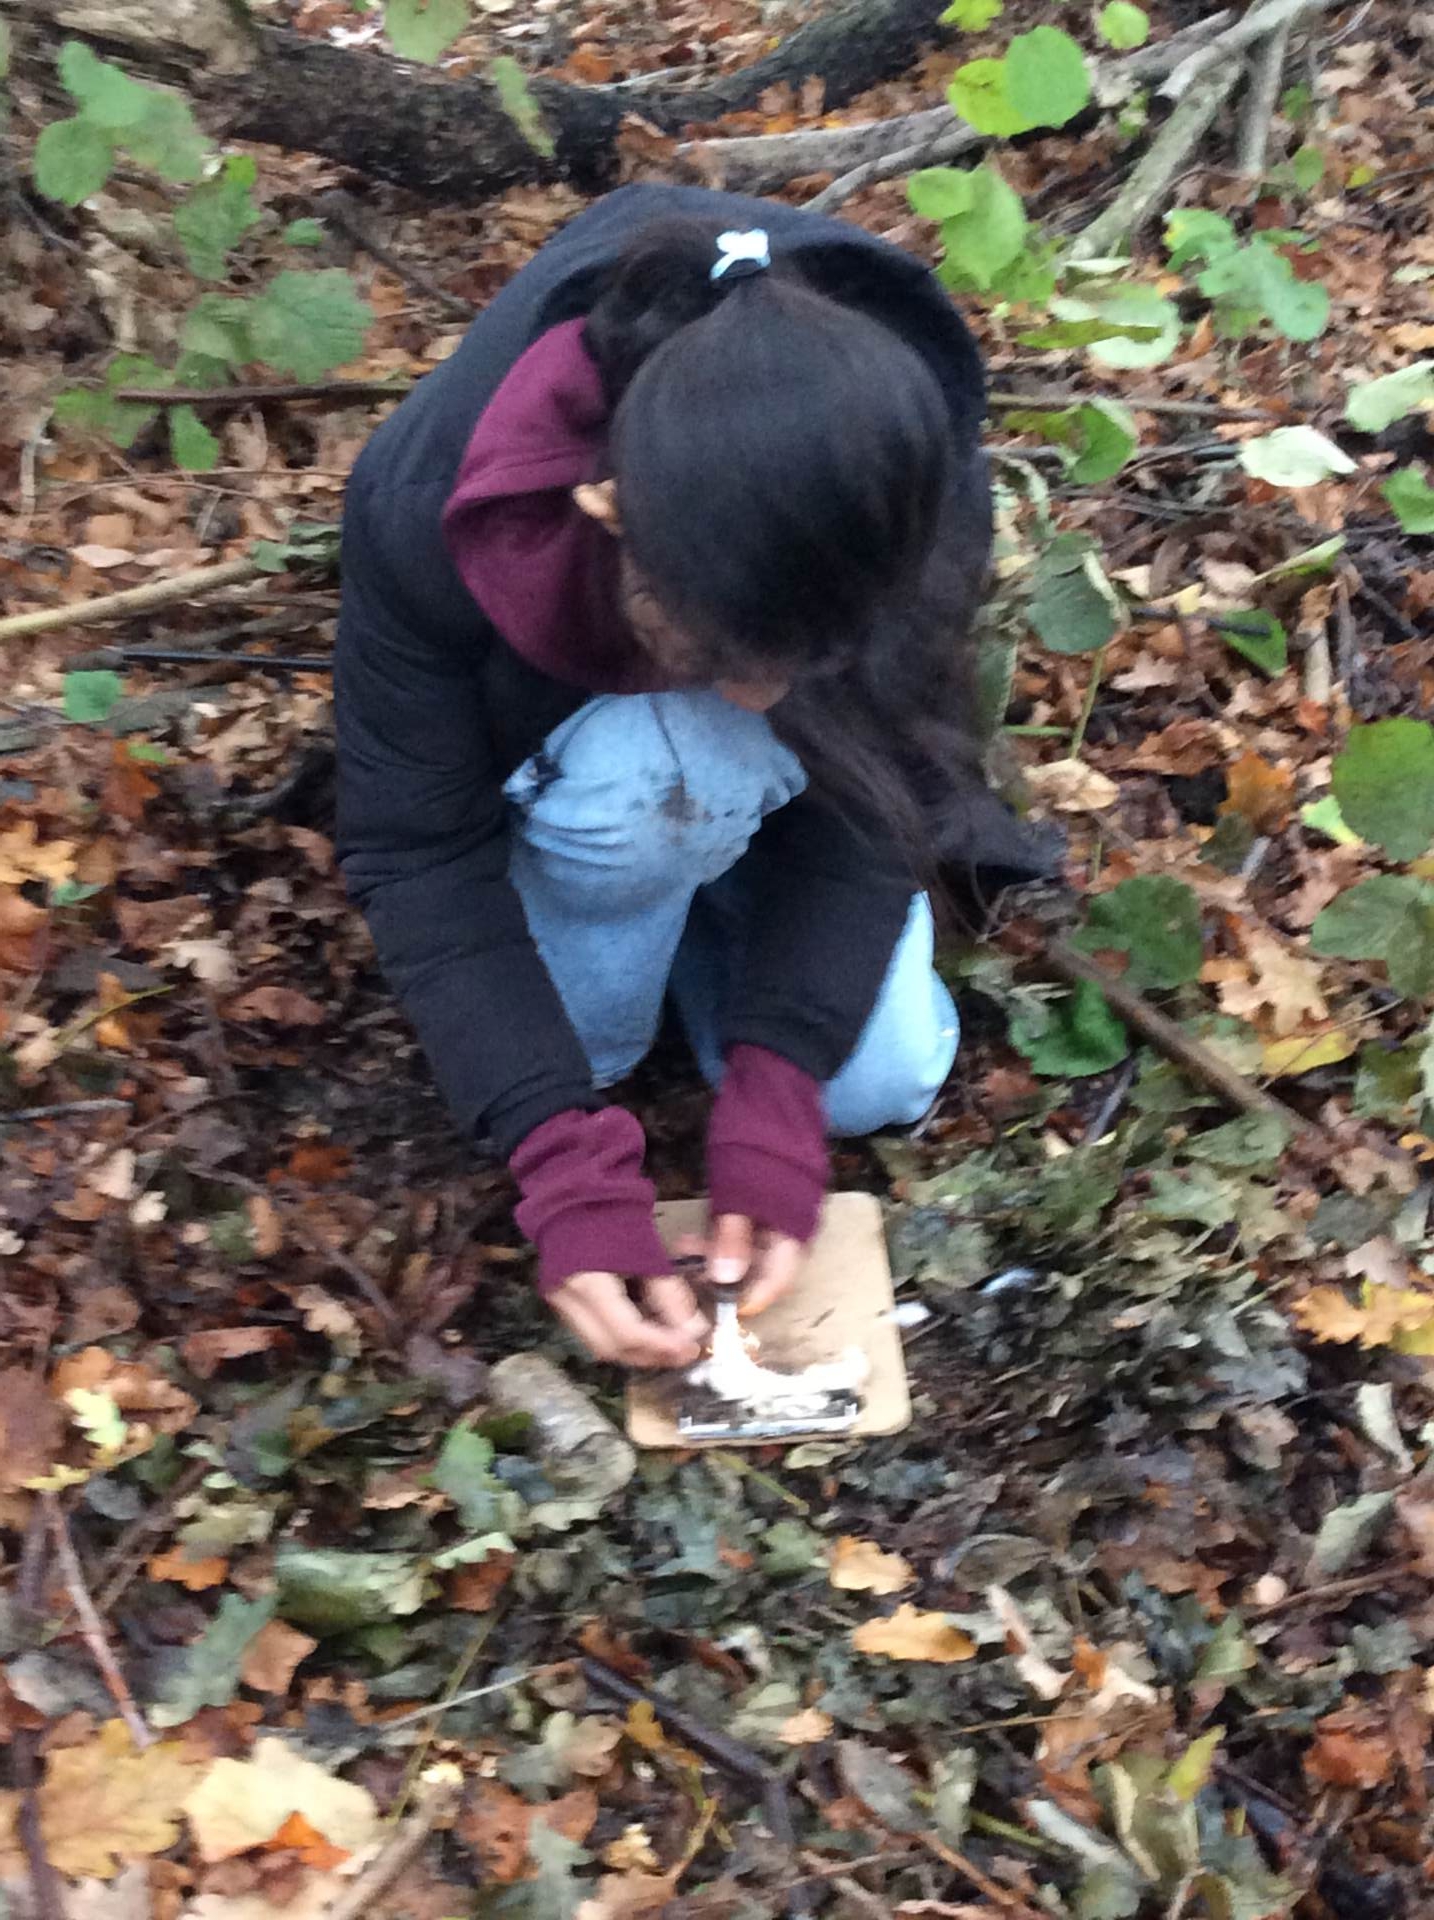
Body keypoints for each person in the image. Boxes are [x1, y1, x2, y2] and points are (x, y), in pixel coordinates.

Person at [334, 183, 1045, 1371]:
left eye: (795, 664)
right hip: (583, 777)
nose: (761, 700)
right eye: (716, 654)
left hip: (760, 790)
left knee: (872, 1082)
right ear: (607, 515)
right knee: (653, 813)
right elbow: (415, 850)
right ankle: (645, 935)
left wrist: (778, 1091)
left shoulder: (907, 480)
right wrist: (563, 1159)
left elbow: (889, 774)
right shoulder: (430, 504)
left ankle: (722, 934)